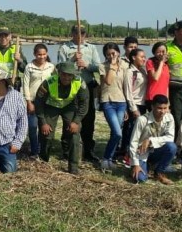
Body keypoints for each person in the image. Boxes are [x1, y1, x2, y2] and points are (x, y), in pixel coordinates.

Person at [57, 25, 101, 162]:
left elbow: (99, 67)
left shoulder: (91, 48)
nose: (80, 35)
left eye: (82, 33)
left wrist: (87, 65)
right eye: (77, 32)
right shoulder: (64, 48)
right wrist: (72, 60)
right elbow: (59, 67)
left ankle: (88, 151)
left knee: (88, 119)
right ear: (72, 33)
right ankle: (67, 150)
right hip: (70, 86)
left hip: (87, 86)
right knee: (69, 118)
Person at [35, 62, 88, 174]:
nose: (66, 77)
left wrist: (76, 121)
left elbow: (84, 104)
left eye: (69, 75)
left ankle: (73, 166)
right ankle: (43, 160)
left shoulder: (80, 82)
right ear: (59, 73)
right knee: (47, 134)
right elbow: (38, 102)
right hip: (51, 106)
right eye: (64, 74)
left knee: (74, 133)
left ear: (73, 75)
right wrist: (43, 122)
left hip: (69, 107)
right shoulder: (48, 82)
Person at [129, 94, 177, 185]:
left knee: (172, 147)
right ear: (152, 107)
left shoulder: (169, 117)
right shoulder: (142, 120)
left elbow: (170, 137)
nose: (162, 111)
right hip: (142, 153)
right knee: (140, 179)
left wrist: (150, 140)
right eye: (159, 108)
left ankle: (159, 172)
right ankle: (141, 167)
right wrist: (135, 164)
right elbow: (133, 142)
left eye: (165, 108)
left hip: (157, 151)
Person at [22, 43, 56, 160]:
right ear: (34, 54)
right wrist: (28, 102)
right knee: (32, 127)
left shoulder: (51, 67)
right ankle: (34, 150)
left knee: (44, 126)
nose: (42, 57)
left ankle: (43, 150)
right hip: (33, 100)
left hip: (47, 102)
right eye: (39, 54)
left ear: (47, 54)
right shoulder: (29, 67)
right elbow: (25, 85)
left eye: (44, 54)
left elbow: (55, 82)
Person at [98, 43, 128, 172]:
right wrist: (112, 65)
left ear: (118, 52)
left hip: (121, 102)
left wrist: (127, 106)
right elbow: (109, 81)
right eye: (108, 54)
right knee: (117, 132)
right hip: (108, 101)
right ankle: (106, 158)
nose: (111, 56)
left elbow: (126, 85)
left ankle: (109, 159)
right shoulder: (102, 66)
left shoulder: (125, 65)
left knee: (115, 133)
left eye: (113, 53)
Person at [120, 48, 148, 167]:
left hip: (142, 104)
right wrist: (133, 108)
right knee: (131, 131)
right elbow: (128, 92)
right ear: (133, 57)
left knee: (139, 131)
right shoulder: (130, 72)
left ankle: (133, 155)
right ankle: (126, 155)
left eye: (144, 57)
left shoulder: (142, 70)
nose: (144, 59)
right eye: (141, 57)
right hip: (134, 104)